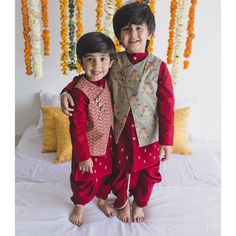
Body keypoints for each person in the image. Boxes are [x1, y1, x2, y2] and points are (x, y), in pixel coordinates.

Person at [61, 2, 174, 224]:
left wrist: (166, 141)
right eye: (126, 29)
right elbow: (88, 79)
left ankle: (139, 203)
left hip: (148, 134)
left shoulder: (158, 67)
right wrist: (66, 91)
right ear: (119, 35)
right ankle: (122, 201)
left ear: (149, 32)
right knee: (121, 169)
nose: (133, 34)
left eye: (139, 28)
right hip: (120, 132)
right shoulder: (112, 62)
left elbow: (167, 106)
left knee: (147, 171)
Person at [65, 32, 116, 226]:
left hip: (108, 143)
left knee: (105, 176)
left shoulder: (109, 79)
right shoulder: (79, 91)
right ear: (81, 62)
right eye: (90, 60)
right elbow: (76, 128)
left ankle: (102, 200)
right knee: (83, 178)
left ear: (111, 62)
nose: (97, 66)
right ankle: (80, 204)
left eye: (103, 59)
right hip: (88, 147)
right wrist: (83, 156)